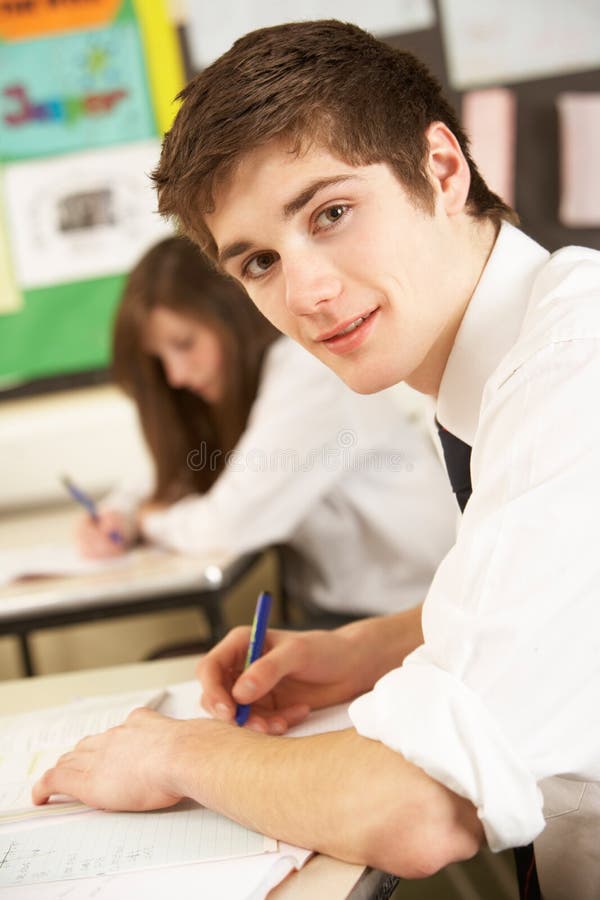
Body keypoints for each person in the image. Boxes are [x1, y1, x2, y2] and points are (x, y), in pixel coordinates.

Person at [34, 21, 600, 900]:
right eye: (259, 261)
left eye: (330, 213)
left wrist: (178, 752)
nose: (305, 295)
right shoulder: (520, 355)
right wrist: (369, 648)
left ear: (443, 170)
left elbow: (416, 808)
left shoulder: (576, 372)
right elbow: (561, 597)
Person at [75, 235, 455, 620]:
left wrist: (145, 521)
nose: (175, 375)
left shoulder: (310, 374)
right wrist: (118, 512)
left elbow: (226, 527)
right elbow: (169, 472)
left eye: (185, 343)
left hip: (419, 613)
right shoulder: (238, 390)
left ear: (229, 315)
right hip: (346, 613)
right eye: (161, 359)